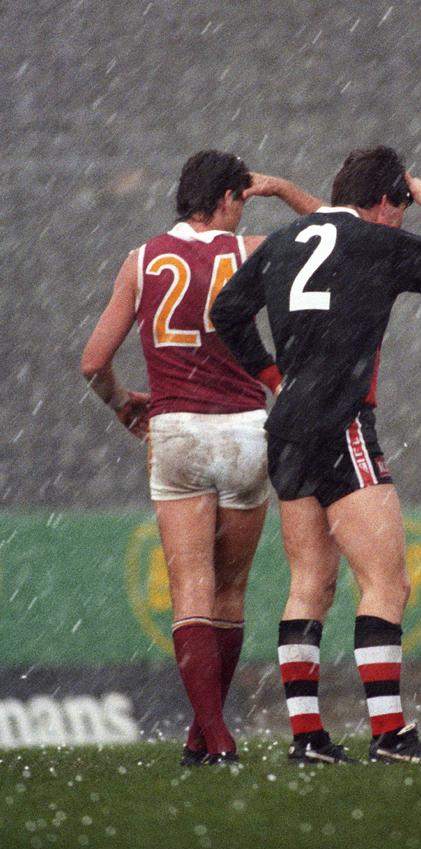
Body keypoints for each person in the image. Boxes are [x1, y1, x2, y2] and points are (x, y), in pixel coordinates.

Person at [212, 145, 421, 764]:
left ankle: (307, 739)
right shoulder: (380, 243)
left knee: (309, 582)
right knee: (388, 582)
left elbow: (226, 311)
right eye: (401, 205)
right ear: (387, 201)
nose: (402, 216)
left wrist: (272, 374)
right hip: (342, 423)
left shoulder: (286, 241)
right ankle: (390, 734)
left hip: (286, 428)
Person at [81, 149, 319, 765]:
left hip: (177, 429)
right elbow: (334, 230)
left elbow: (92, 363)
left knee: (189, 585)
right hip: (245, 431)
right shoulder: (249, 252)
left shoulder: (142, 260)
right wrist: (284, 188)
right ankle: (208, 730)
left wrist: (123, 405)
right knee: (230, 590)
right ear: (229, 199)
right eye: (240, 199)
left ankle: (211, 734)